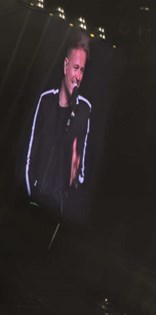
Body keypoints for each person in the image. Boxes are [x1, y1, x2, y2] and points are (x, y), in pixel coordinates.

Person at [24, 29, 92, 217]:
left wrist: (75, 176)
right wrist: (31, 195)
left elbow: (80, 173)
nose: (78, 76)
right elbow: (29, 156)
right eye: (76, 68)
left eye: (82, 70)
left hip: (58, 209)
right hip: (34, 201)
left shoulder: (84, 110)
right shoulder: (46, 101)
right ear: (65, 66)